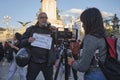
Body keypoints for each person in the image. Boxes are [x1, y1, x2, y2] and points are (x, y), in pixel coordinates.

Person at [68, 7, 107, 80]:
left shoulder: (90, 38)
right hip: (105, 74)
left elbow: (83, 67)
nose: (82, 25)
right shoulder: (104, 37)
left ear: (89, 22)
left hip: (93, 75)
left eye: (83, 22)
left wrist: (72, 62)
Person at [21, 12, 56, 80]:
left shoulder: (50, 30)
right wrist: (28, 40)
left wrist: (55, 33)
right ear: (38, 19)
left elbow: (57, 42)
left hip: (47, 63)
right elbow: (21, 42)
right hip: (33, 62)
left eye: (46, 17)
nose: (44, 19)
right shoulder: (31, 29)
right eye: (42, 17)